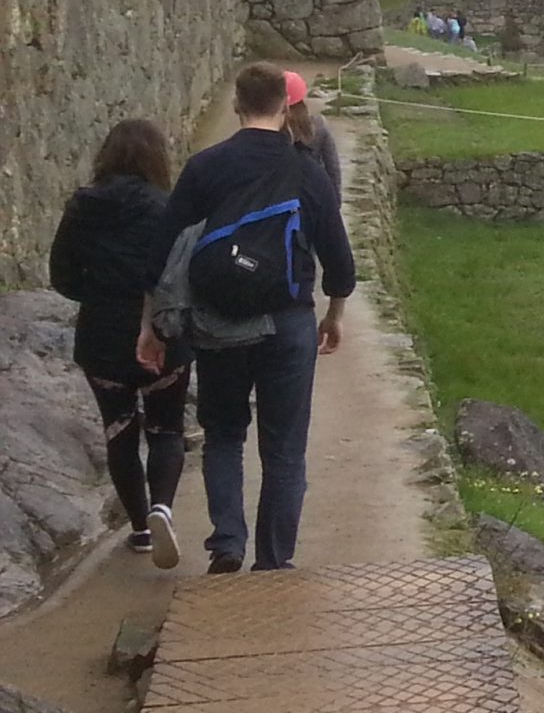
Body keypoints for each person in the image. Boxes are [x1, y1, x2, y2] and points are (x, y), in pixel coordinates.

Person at [150, 62, 357, 574]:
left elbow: (162, 253)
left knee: (223, 434)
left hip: (219, 321)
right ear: (285, 106)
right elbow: (339, 260)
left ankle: (227, 543)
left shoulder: (205, 167)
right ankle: (273, 559)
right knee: (284, 448)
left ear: (237, 104)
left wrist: (148, 324)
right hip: (288, 321)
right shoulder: (305, 171)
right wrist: (333, 314)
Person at [48, 120, 192, 568]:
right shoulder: (167, 208)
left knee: (120, 431)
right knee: (167, 429)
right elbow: (180, 273)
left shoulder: (82, 207)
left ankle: (141, 529)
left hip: (103, 338)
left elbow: (62, 276)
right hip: (162, 334)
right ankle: (162, 507)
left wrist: (98, 293)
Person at [281, 71, 341, 202]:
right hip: (312, 193)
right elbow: (332, 167)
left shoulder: (272, 130)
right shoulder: (318, 126)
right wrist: (336, 200)